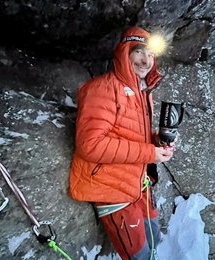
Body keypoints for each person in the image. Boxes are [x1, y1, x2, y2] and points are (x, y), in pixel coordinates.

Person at [69, 26, 173, 259]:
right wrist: (149, 153)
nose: (146, 60)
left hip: (138, 184)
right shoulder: (101, 88)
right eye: (139, 52)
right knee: (141, 256)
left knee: (156, 238)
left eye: (151, 54)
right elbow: (91, 145)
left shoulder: (142, 92)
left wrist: (157, 142)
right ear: (125, 53)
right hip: (113, 191)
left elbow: (125, 133)